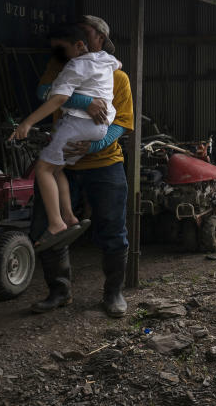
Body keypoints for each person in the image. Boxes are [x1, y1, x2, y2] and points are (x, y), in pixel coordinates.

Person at [28, 16, 134, 317]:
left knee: (112, 229)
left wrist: (94, 145)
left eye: (86, 34)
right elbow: (44, 94)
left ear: (100, 39)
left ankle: (113, 293)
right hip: (63, 162)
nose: (81, 40)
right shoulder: (59, 65)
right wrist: (85, 101)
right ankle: (59, 291)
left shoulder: (119, 78)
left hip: (105, 162)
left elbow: (123, 123)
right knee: (47, 226)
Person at [11, 24, 119, 251]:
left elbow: (56, 99)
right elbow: (118, 64)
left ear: (79, 45)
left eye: (61, 50)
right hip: (98, 126)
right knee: (56, 169)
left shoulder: (74, 65)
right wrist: (89, 96)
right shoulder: (105, 59)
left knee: (42, 169)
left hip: (76, 125)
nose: (57, 55)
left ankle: (55, 223)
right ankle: (69, 217)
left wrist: (27, 123)